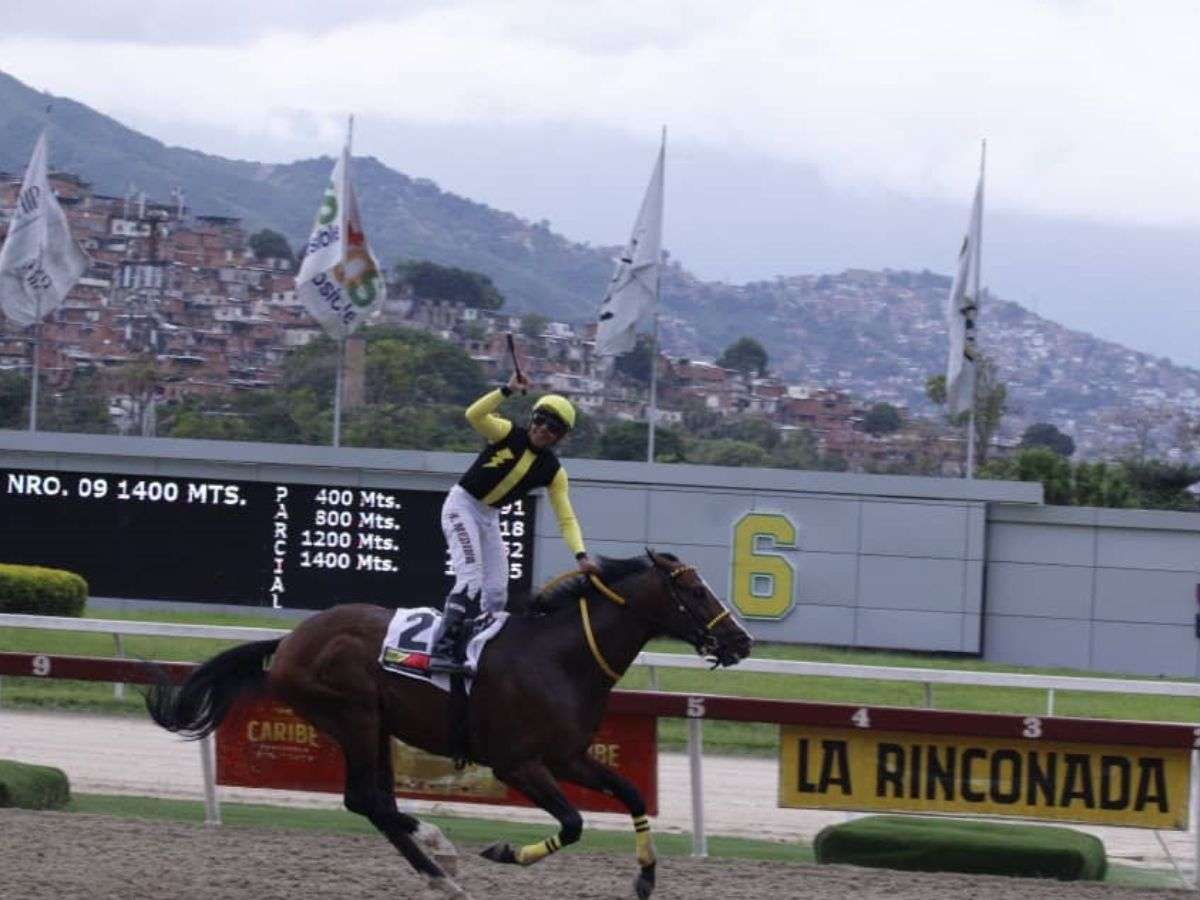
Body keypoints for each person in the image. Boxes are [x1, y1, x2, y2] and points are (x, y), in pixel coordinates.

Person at [428, 371, 599, 674]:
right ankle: (442, 650)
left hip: (489, 517)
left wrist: (581, 556)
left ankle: (476, 650)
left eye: (554, 428)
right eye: (541, 419)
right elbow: (474, 414)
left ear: (561, 437)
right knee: (470, 580)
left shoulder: (553, 471)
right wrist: (506, 390)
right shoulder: (507, 433)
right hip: (462, 505)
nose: (544, 429)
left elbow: (566, 518)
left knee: (496, 594)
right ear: (533, 417)